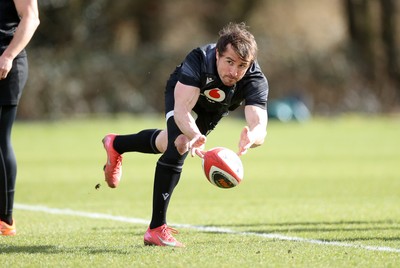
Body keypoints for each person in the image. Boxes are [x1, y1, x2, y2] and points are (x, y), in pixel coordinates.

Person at [102, 22, 269, 247]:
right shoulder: (199, 60)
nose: (234, 72)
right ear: (218, 55)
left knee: (166, 143)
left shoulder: (254, 78)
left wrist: (253, 136)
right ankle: (156, 229)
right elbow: (181, 110)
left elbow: (260, 124)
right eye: (229, 62)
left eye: (241, 65)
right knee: (180, 143)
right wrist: (193, 133)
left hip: (215, 108)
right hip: (183, 93)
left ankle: (116, 144)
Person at [0, 0, 40, 236]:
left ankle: (5, 219)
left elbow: (31, 17)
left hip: (5, 65)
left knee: (0, 139)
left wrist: (8, 55)